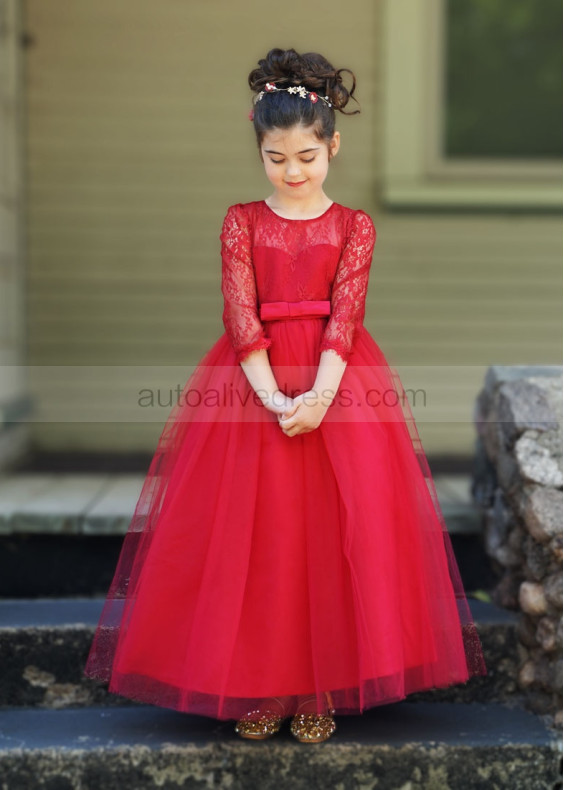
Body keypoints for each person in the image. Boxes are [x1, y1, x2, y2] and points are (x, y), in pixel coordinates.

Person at [83, 47, 487, 744]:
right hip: (252, 387)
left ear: (334, 145)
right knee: (260, 541)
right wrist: (274, 400)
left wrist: (322, 398)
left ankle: (319, 688)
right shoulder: (241, 221)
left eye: (306, 155)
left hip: (339, 385)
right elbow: (241, 316)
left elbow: (346, 315)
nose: (293, 171)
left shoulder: (353, 226)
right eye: (276, 157)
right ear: (258, 146)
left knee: (330, 540)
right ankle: (259, 685)